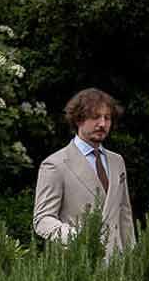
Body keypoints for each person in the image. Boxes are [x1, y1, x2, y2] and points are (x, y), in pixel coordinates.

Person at [33, 88, 136, 256]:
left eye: (107, 118)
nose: (102, 124)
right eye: (95, 117)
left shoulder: (117, 161)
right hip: (78, 264)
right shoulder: (55, 164)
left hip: (117, 267)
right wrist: (78, 238)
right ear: (78, 119)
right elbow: (43, 220)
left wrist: (133, 260)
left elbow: (124, 215)